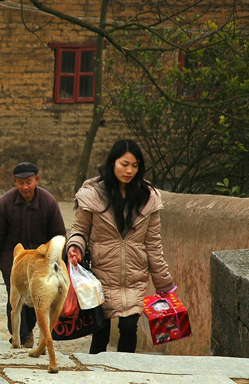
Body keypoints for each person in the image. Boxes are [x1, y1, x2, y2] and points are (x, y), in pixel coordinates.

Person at [66, 138, 175, 354]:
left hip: (134, 276)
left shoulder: (148, 198)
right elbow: (80, 229)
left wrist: (165, 283)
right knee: (101, 331)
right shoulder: (93, 195)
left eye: (135, 166)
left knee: (128, 328)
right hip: (101, 275)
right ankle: (94, 375)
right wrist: (75, 246)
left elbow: (153, 244)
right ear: (112, 163)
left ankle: (125, 372)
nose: (129, 170)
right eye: (124, 164)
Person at [0, 162, 67, 346]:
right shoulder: (5, 202)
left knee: (35, 301)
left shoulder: (48, 202)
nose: (25, 187)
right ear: (14, 182)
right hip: (12, 261)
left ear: (36, 180)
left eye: (29, 182)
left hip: (39, 263)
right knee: (15, 298)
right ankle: (22, 335)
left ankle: (26, 333)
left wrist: (61, 260)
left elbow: (59, 234)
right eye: (20, 183)